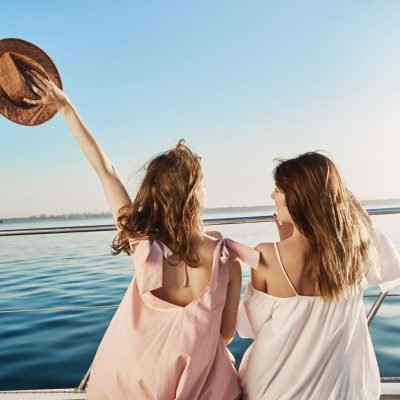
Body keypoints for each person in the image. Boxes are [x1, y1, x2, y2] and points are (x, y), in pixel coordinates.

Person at [25, 70, 259, 399]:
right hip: (191, 384)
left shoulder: (142, 243)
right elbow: (223, 336)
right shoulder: (228, 262)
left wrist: (65, 108)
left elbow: (106, 171)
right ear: (194, 194)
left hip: (135, 380)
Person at [237, 152, 400, 400]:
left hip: (276, 389)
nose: (272, 196)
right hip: (346, 390)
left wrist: (286, 245)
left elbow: (248, 328)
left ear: (299, 198)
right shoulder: (358, 248)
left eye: (278, 190)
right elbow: (392, 272)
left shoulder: (268, 255)